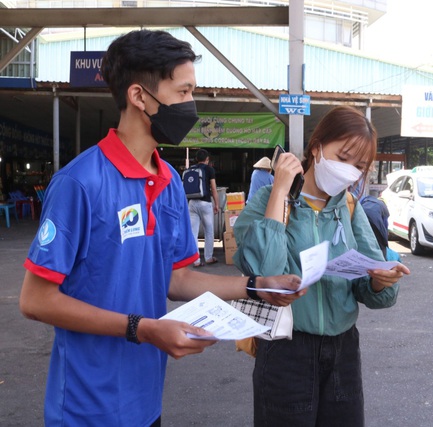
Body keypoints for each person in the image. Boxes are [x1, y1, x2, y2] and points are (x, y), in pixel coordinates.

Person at [18, 29, 305, 427]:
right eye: (183, 92)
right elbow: (35, 300)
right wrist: (141, 328)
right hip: (86, 409)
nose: (192, 105)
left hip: (146, 400)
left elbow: (177, 278)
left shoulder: (169, 181)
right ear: (139, 96)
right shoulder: (80, 183)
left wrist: (257, 286)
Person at [232, 105, 411, 427]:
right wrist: (280, 193)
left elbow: (372, 292)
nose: (349, 172)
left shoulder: (350, 206)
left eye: (359, 166)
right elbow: (264, 275)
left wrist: (381, 281)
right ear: (316, 148)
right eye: (343, 158)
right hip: (286, 350)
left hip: (343, 351)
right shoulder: (264, 202)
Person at [188, 148, 220, 266]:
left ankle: (195, 260)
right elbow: (213, 189)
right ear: (207, 159)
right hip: (205, 203)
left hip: (191, 203)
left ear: (196, 159)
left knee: (193, 233)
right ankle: (208, 257)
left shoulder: (190, 169)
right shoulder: (209, 169)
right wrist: (217, 204)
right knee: (209, 231)